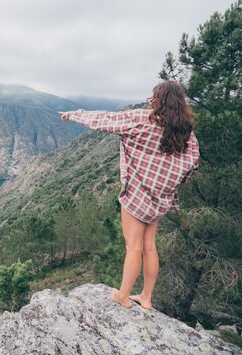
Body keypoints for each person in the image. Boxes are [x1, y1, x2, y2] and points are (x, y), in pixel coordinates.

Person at [58, 80, 200, 310]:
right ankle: (146, 297)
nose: (150, 101)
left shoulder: (142, 120)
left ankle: (123, 296)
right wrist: (171, 184)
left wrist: (74, 115)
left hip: (137, 196)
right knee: (149, 247)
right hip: (161, 199)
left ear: (159, 100)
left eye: (153, 97)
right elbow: (192, 164)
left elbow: (104, 120)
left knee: (133, 247)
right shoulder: (186, 132)